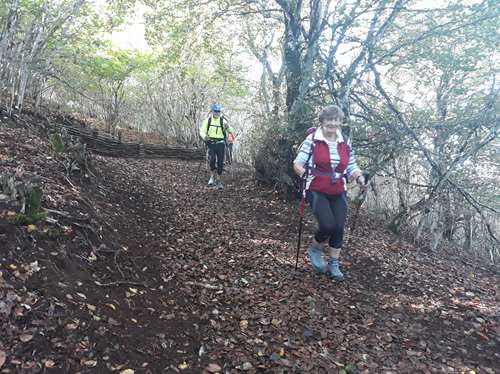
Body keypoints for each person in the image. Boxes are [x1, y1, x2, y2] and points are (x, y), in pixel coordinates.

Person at [293, 105, 366, 281]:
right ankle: (315, 249)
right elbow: (298, 163)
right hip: (316, 188)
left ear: (341, 122)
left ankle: (334, 263)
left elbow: (351, 165)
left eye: (336, 120)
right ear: (322, 121)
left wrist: (359, 176)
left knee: (339, 228)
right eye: (329, 120)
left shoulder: (345, 141)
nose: (333, 123)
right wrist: (302, 173)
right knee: (327, 225)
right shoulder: (313, 139)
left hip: (338, 189)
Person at [199, 103, 227, 188]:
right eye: (215, 111)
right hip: (211, 142)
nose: (217, 113)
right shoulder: (208, 121)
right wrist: (205, 137)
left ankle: (218, 180)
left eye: (218, 111)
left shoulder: (223, 121)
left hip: (221, 143)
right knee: (212, 160)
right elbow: (202, 131)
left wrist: (228, 127)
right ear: (212, 111)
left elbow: (230, 130)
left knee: (220, 162)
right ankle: (211, 177)